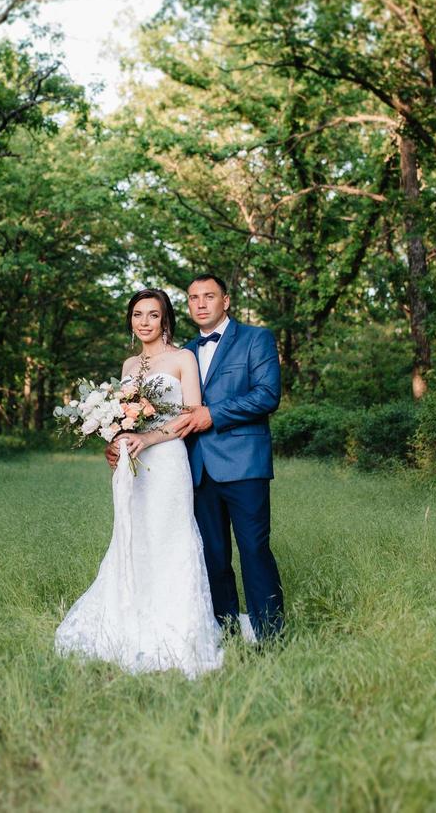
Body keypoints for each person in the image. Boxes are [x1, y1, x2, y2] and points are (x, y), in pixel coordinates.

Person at [54, 289, 223, 677]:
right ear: (130, 321)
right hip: (134, 465)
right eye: (137, 315)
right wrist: (115, 440)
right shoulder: (129, 363)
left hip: (167, 461)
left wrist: (148, 438)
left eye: (152, 314)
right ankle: (130, 615)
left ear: (165, 319)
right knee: (135, 538)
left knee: (170, 537)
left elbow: (191, 414)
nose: (144, 321)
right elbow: (123, 418)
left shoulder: (183, 358)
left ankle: (176, 626)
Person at [108, 274, 285, 642]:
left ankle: (271, 635)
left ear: (227, 300)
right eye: (193, 297)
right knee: (212, 555)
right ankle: (226, 629)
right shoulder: (182, 350)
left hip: (243, 463)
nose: (200, 303)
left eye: (209, 296)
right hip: (193, 466)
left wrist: (213, 414)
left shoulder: (256, 339)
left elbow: (267, 395)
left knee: (254, 549)